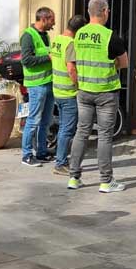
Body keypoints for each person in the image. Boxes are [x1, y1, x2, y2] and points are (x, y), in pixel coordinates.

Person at [67, 0, 129, 193]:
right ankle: (105, 181)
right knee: (104, 136)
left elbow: (71, 64)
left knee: (81, 132)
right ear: (105, 12)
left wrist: (78, 82)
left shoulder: (78, 35)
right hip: (106, 94)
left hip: (84, 92)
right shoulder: (111, 36)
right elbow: (124, 62)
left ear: (88, 12)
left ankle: (74, 177)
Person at [50, 14, 86, 176]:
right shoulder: (71, 43)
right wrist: (78, 85)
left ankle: (61, 158)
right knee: (67, 129)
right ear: (78, 31)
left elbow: (52, 58)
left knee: (63, 127)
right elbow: (71, 68)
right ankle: (61, 163)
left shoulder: (57, 40)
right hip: (68, 92)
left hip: (57, 90)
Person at [20, 7, 57, 167]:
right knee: (33, 120)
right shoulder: (28, 36)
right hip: (36, 86)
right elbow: (26, 60)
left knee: (46, 121)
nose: (54, 23)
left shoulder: (45, 35)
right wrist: (47, 57)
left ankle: (41, 152)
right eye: (52, 20)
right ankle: (27, 155)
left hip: (48, 83)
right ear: (44, 19)